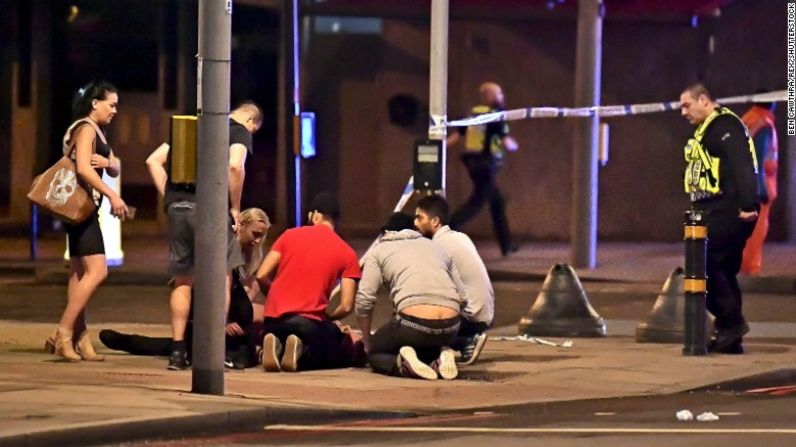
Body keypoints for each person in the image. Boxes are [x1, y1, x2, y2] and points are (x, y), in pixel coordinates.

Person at [146, 101, 263, 370]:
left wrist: (172, 198)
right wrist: (234, 207)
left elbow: (152, 161)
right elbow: (235, 166)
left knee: (183, 281)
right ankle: (213, 348)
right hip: (211, 209)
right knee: (222, 276)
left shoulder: (191, 126)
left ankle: (178, 351)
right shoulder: (239, 130)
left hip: (178, 209)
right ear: (252, 121)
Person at [98, 208, 271, 369]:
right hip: (206, 322)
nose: (257, 241)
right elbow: (199, 294)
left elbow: (243, 296)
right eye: (255, 234)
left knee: (247, 350)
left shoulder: (247, 258)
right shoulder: (221, 251)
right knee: (160, 345)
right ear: (240, 226)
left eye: (261, 237)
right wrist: (221, 323)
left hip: (230, 326)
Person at [45, 81, 130, 362]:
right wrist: (113, 197)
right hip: (80, 208)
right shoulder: (84, 129)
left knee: (79, 274)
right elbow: (82, 168)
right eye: (111, 104)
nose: (115, 110)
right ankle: (63, 333)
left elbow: (115, 165)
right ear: (95, 103)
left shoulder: (97, 131)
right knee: (98, 271)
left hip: (84, 209)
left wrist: (108, 164)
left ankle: (81, 339)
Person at [679, 83, 759, 354]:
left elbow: (742, 163)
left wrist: (748, 203)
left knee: (706, 262)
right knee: (722, 269)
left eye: (686, 104)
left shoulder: (725, 126)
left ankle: (732, 323)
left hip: (730, 209)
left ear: (704, 100)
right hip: (715, 208)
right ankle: (730, 335)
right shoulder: (708, 128)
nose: (682, 112)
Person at [255, 192, 361, 372]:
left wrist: (273, 296)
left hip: (274, 321)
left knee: (279, 332)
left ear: (315, 215)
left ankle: (276, 346)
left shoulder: (289, 235)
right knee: (336, 349)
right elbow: (346, 305)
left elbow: (261, 274)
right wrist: (329, 318)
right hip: (308, 323)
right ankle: (300, 352)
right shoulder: (347, 253)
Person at [356, 213, 465, 381]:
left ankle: (403, 366)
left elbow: (364, 301)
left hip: (412, 326)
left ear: (385, 233)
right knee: (422, 341)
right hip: (451, 327)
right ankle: (440, 354)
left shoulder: (379, 251)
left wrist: (367, 340)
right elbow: (463, 297)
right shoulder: (436, 247)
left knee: (376, 353)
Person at [414, 194, 493, 365]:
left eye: (420, 218)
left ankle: (464, 341)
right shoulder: (459, 237)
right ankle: (464, 341)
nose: (415, 223)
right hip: (484, 314)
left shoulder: (437, 246)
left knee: (414, 327)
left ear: (435, 221)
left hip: (471, 318)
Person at [447, 82, 518, 256]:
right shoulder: (495, 116)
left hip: (474, 164)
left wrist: (440, 146)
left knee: (497, 202)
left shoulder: (473, 114)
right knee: (476, 202)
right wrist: (514, 145)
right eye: (498, 93)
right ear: (488, 97)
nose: (501, 96)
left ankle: (506, 245)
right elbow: (507, 143)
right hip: (486, 166)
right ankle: (445, 229)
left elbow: (457, 135)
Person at [740, 99, 778, 275]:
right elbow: (760, 158)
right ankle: (750, 271)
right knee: (755, 233)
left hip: (741, 185)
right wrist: (761, 190)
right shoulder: (764, 124)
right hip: (757, 190)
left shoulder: (747, 118)